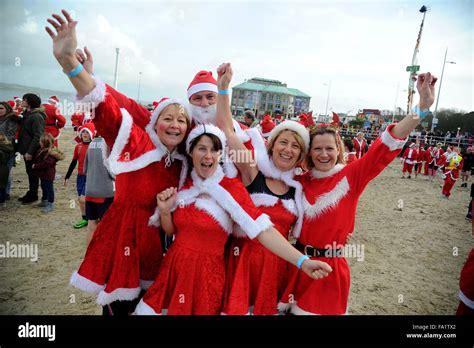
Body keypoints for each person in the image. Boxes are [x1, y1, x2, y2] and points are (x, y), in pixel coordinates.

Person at [46, 9, 193, 314]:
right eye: (168, 118)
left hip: (160, 246)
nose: (176, 124)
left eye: (182, 120)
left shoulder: (183, 162)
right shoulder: (136, 143)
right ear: (155, 123)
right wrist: (69, 63)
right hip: (124, 241)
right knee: (119, 308)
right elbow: (108, 110)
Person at [278, 72, 437, 315]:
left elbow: (386, 144)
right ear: (309, 153)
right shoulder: (299, 180)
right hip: (297, 262)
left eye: (329, 148)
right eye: (317, 149)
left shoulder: (352, 176)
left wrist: (422, 108)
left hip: (329, 270)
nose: (323, 154)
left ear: (338, 150)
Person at [134, 124, 332, 315]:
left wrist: (302, 262)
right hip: (174, 271)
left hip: (208, 277)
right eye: (201, 149)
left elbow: (262, 229)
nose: (208, 155)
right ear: (191, 152)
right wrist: (165, 211)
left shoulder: (231, 189)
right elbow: (173, 232)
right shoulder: (185, 185)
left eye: (215, 150)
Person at [215, 63, 310, 315]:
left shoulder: (299, 189)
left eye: (295, 146)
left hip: (278, 267)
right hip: (242, 262)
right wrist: (223, 89)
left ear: (301, 155)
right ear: (272, 145)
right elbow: (226, 131)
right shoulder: (252, 171)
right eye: (283, 142)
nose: (288, 149)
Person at [83, 134, 115, 245]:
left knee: (91, 225)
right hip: (105, 191)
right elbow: (112, 171)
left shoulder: (91, 143)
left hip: (90, 190)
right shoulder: (110, 144)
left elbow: (85, 169)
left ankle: (89, 255)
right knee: (107, 226)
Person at [64, 123, 95, 229]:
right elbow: (73, 162)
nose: (85, 134)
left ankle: (92, 218)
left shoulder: (94, 146)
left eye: (87, 132)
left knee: (83, 199)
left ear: (91, 134)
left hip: (90, 176)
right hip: (80, 176)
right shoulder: (78, 146)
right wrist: (67, 177)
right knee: (81, 200)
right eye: (83, 132)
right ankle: (85, 218)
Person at [17, 93, 46, 204]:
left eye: (24, 100)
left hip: (32, 150)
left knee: (33, 173)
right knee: (30, 172)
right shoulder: (28, 113)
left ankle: (33, 195)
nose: (22, 102)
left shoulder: (36, 116)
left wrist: (30, 152)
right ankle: (31, 193)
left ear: (29, 102)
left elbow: (38, 135)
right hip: (26, 148)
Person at [31, 133, 65, 213]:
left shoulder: (50, 154)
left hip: (48, 175)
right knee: (44, 187)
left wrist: (35, 166)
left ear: (44, 143)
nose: (39, 143)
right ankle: (44, 200)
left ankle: (50, 203)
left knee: (49, 189)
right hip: (43, 174)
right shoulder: (42, 150)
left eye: (40, 141)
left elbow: (46, 164)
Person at [0, 101, 20, 200]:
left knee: (6, 173)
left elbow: (10, 135)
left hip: (8, 150)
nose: (0, 110)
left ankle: (6, 193)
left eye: (1, 108)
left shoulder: (11, 119)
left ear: (7, 109)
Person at [0, 132, 15, 208]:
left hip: (3, 166)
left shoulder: (2, 149)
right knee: (6, 177)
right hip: (6, 166)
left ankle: (3, 199)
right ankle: (6, 194)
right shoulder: (9, 146)